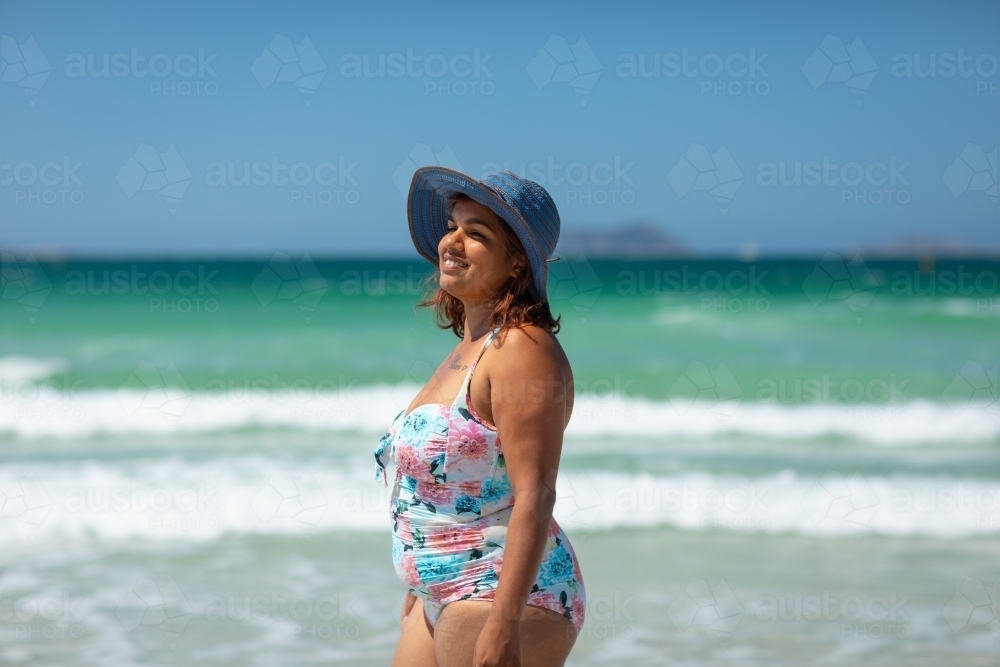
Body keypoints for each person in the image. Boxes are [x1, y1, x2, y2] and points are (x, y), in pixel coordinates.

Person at [374, 167, 586, 667]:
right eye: (453, 225)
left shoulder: (521, 348)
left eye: (477, 233)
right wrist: (422, 579)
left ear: (516, 263)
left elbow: (537, 492)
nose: (452, 241)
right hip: (440, 594)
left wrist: (504, 620)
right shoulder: (467, 350)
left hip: (500, 592)